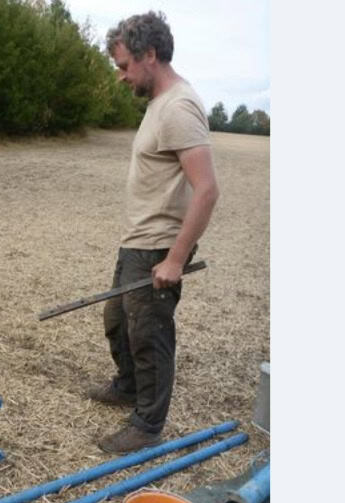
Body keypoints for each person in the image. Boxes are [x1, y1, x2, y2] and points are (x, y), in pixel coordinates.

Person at [89, 12, 220, 453]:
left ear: (150, 55)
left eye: (125, 66)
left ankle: (147, 425)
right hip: (137, 239)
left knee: (148, 333)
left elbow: (206, 190)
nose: (122, 77)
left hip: (158, 245)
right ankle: (127, 386)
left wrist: (176, 259)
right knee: (117, 321)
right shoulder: (157, 105)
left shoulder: (179, 107)